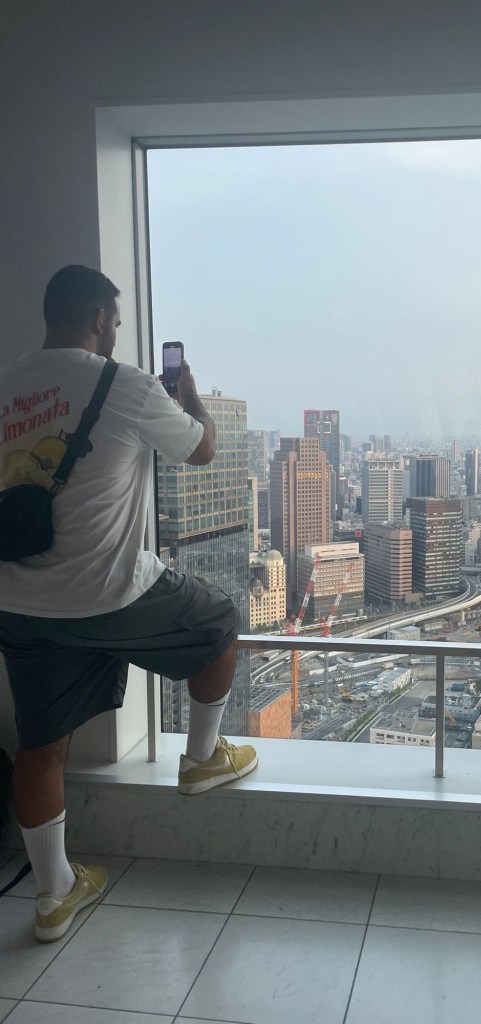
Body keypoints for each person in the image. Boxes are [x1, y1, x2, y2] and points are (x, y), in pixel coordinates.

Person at [0, 265, 258, 942]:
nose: (116, 331)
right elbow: (202, 449)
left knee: (39, 747)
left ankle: (53, 895)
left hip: (19, 599)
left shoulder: (6, 384)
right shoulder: (126, 384)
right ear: (97, 319)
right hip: (108, 587)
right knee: (219, 621)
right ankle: (202, 758)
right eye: (114, 321)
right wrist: (191, 398)